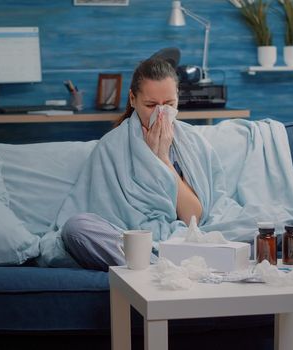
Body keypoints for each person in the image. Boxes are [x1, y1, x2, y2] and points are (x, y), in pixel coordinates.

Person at [61, 57, 201, 271]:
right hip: (128, 241)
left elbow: (194, 217)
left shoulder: (189, 141)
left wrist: (162, 158)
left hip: (179, 239)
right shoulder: (112, 146)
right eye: (151, 105)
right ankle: (160, 268)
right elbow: (104, 211)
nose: (161, 114)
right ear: (133, 99)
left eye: (169, 104)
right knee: (75, 229)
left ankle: (155, 267)